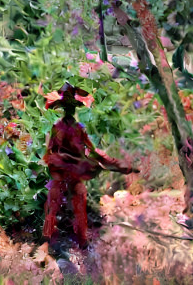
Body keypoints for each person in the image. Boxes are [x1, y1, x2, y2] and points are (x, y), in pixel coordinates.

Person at [42, 82, 137, 248]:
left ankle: (78, 241)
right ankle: (54, 240)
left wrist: (113, 164)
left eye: (72, 106)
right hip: (66, 173)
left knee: (73, 200)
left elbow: (89, 151)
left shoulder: (73, 128)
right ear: (65, 108)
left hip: (71, 173)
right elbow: (50, 153)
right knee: (58, 201)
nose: (70, 110)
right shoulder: (61, 128)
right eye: (68, 106)